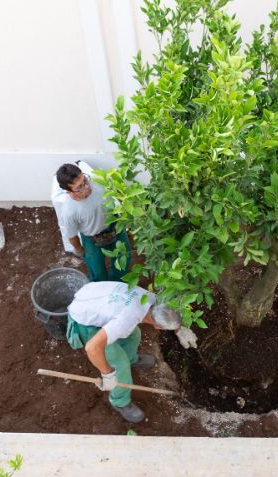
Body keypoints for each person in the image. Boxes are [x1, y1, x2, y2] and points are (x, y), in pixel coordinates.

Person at [67, 281, 198, 423]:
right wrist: (107, 375)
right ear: (158, 327)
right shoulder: (125, 320)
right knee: (120, 365)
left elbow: (166, 313)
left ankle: (131, 359)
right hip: (85, 321)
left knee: (134, 334)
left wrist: (180, 329)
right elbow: (92, 348)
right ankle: (119, 401)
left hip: (96, 298)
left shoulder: (153, 300)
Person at [55, 163, 132, 282]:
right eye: (79, 187)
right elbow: (72, 236)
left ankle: (118, 284)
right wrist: (81, 251)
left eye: (84, 180)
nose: (86, 187)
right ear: (68, 191)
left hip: (115, 226)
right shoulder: (69, 211)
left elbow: (117, 191)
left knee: (124, 259)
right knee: (97, 271)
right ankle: (101, 290)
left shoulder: (99, 182)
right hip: (92, 239)